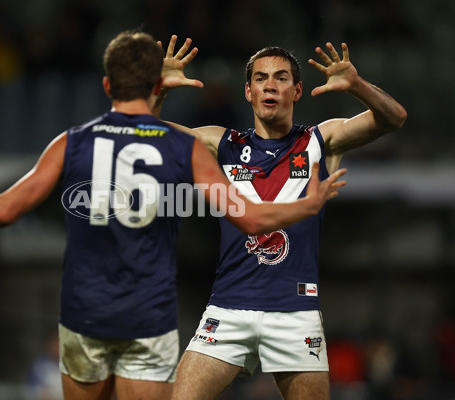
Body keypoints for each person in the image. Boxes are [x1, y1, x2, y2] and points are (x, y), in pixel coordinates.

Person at [0, 31, 346, 400]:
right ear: (154, 87)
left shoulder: (73, 140)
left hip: (86, 310)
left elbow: (6, 207)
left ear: (105, 86)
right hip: (149, 315)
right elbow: (249, 219)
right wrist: (309, 204)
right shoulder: (183, 148)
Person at [155, 37, 407, 400]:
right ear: (248, 91)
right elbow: (144, 133)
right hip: (229, 307)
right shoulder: (219, 143)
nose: (270, 84)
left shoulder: (322, 140)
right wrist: (158, 90)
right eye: (260, 78)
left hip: (295, 311)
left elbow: (393, 118)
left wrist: (358, 85)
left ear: (297, 90)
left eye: (281, 77)